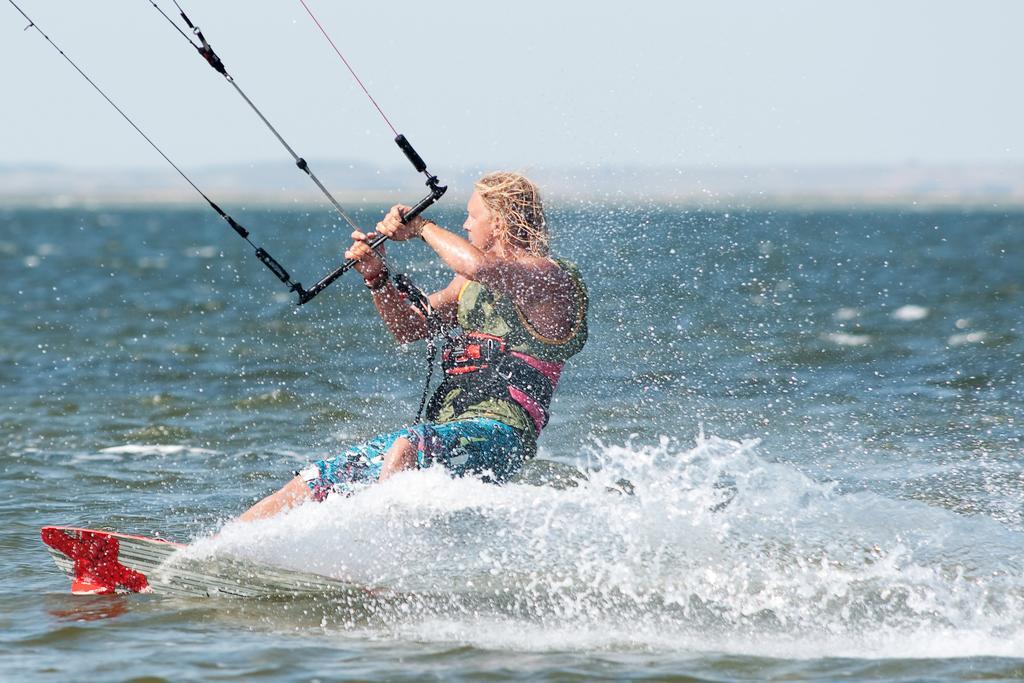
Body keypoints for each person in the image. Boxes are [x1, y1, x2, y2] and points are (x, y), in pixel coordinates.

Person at [239, 172, 587, 521]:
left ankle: (380, 550)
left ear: (498, 223)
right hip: (444, 428)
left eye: (473, 216)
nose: (466, 224)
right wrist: (377, 278)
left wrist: (421, 227)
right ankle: (214, 550)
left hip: (503, 435)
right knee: (315, 480)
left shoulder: (550, 277)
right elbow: (408, 328)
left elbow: (478, 265)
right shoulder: (466, 286)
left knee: (408, 446)